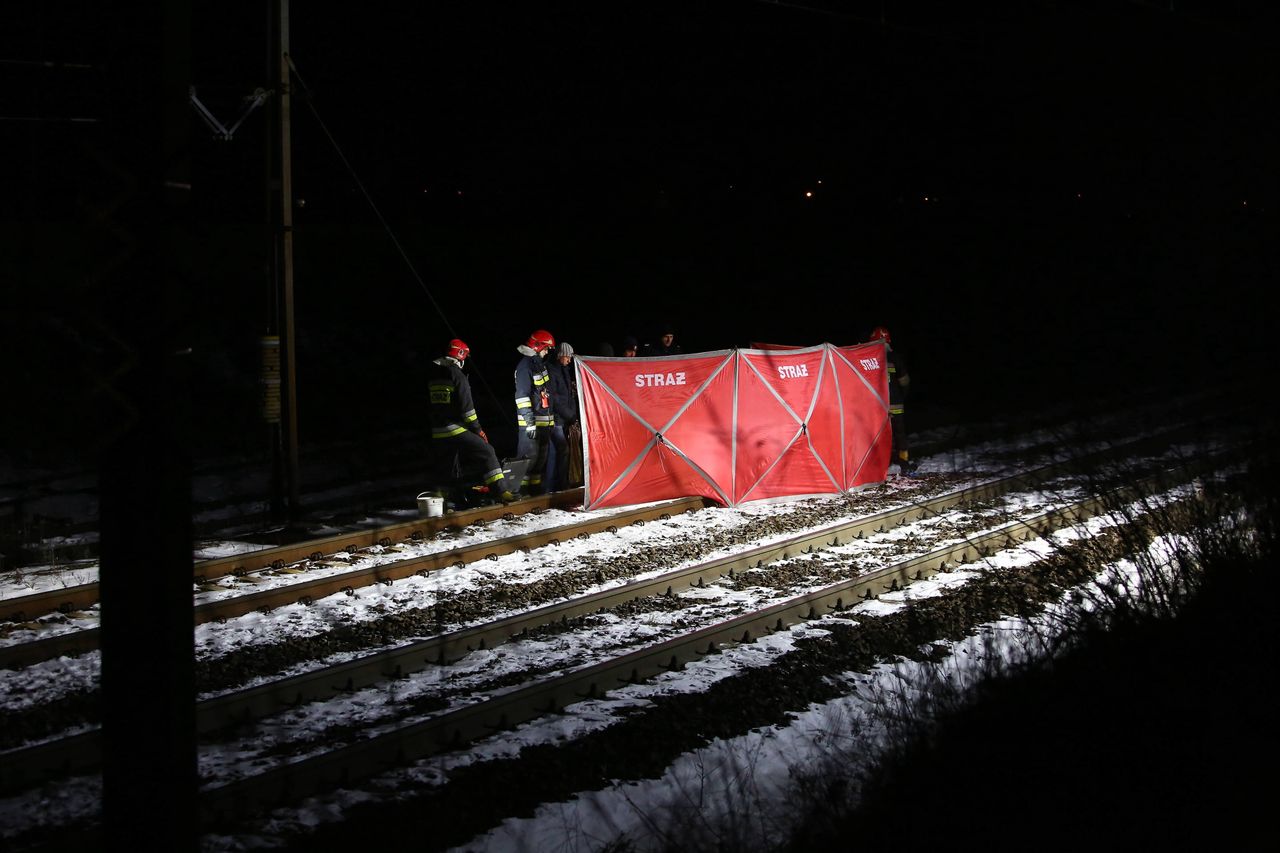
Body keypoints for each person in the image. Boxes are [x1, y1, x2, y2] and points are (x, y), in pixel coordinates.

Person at [426, 338, 516, 507]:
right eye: (465, 357)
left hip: (437, 431)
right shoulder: (457, 376)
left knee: (448, 468)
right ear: (460, 356)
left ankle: (444, 505)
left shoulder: (435, 374)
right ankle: (501, 491)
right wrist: (478, 430)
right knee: (487, 451)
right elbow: (468, 411)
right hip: (454, 429)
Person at [870, 325, 917, 476]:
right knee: (900, 435)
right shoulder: (895, 358)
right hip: (896, 404)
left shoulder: (871, 359)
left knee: (880, 436)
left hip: (879, 407)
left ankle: (882, 465)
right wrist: (901, 396)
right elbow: (905, 382)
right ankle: (904, 464)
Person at [514, 328, 556, 495]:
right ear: (537, 346)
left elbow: (546, 393)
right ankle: (519, 493)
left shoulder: (539, 365)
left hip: (544, 423)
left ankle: (535, 494)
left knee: (540, 462)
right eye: (546, 349)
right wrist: (530, 423)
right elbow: (522, 396)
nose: (547, 352)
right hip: (531, 425)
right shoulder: (525, 366)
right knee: (527, 461)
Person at [545, 342, 581, 491]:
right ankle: (555, 486)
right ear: (561, 355)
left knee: (556, 453)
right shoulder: (552, 371)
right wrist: (570, 415)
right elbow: (555, 399)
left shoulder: (564, 370)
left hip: (564, 419)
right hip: (556, 420)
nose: (569, 360)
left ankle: (555, 486)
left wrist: (572, 415)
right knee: (560, 451)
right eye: (568, 357)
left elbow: (568, 396)